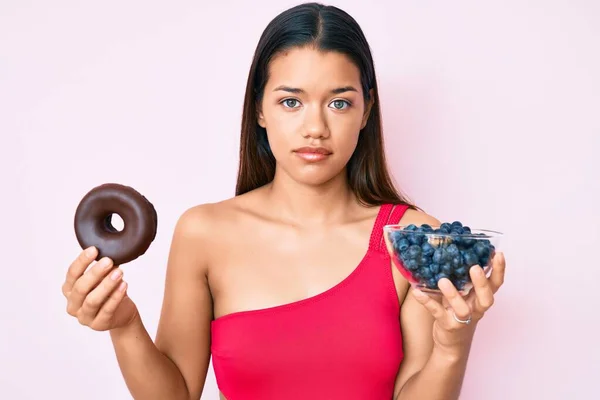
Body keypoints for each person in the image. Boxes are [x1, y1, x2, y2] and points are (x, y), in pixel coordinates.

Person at [62, 3, 506, 399]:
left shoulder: (410, 239)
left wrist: (452, 346)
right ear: (259, 109)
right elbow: (175, 394)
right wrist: (123, 325)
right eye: (291, 102)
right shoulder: (204, 233)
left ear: (366, 111)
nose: (315, 127)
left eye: (339, 103)